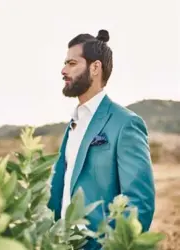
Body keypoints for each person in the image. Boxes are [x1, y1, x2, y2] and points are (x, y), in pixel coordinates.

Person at [48, 29, 155, 249]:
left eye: (71, 63)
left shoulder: (125, 123)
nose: (63, 70)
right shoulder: (73, 124)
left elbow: (139, 203)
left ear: (95, 67)